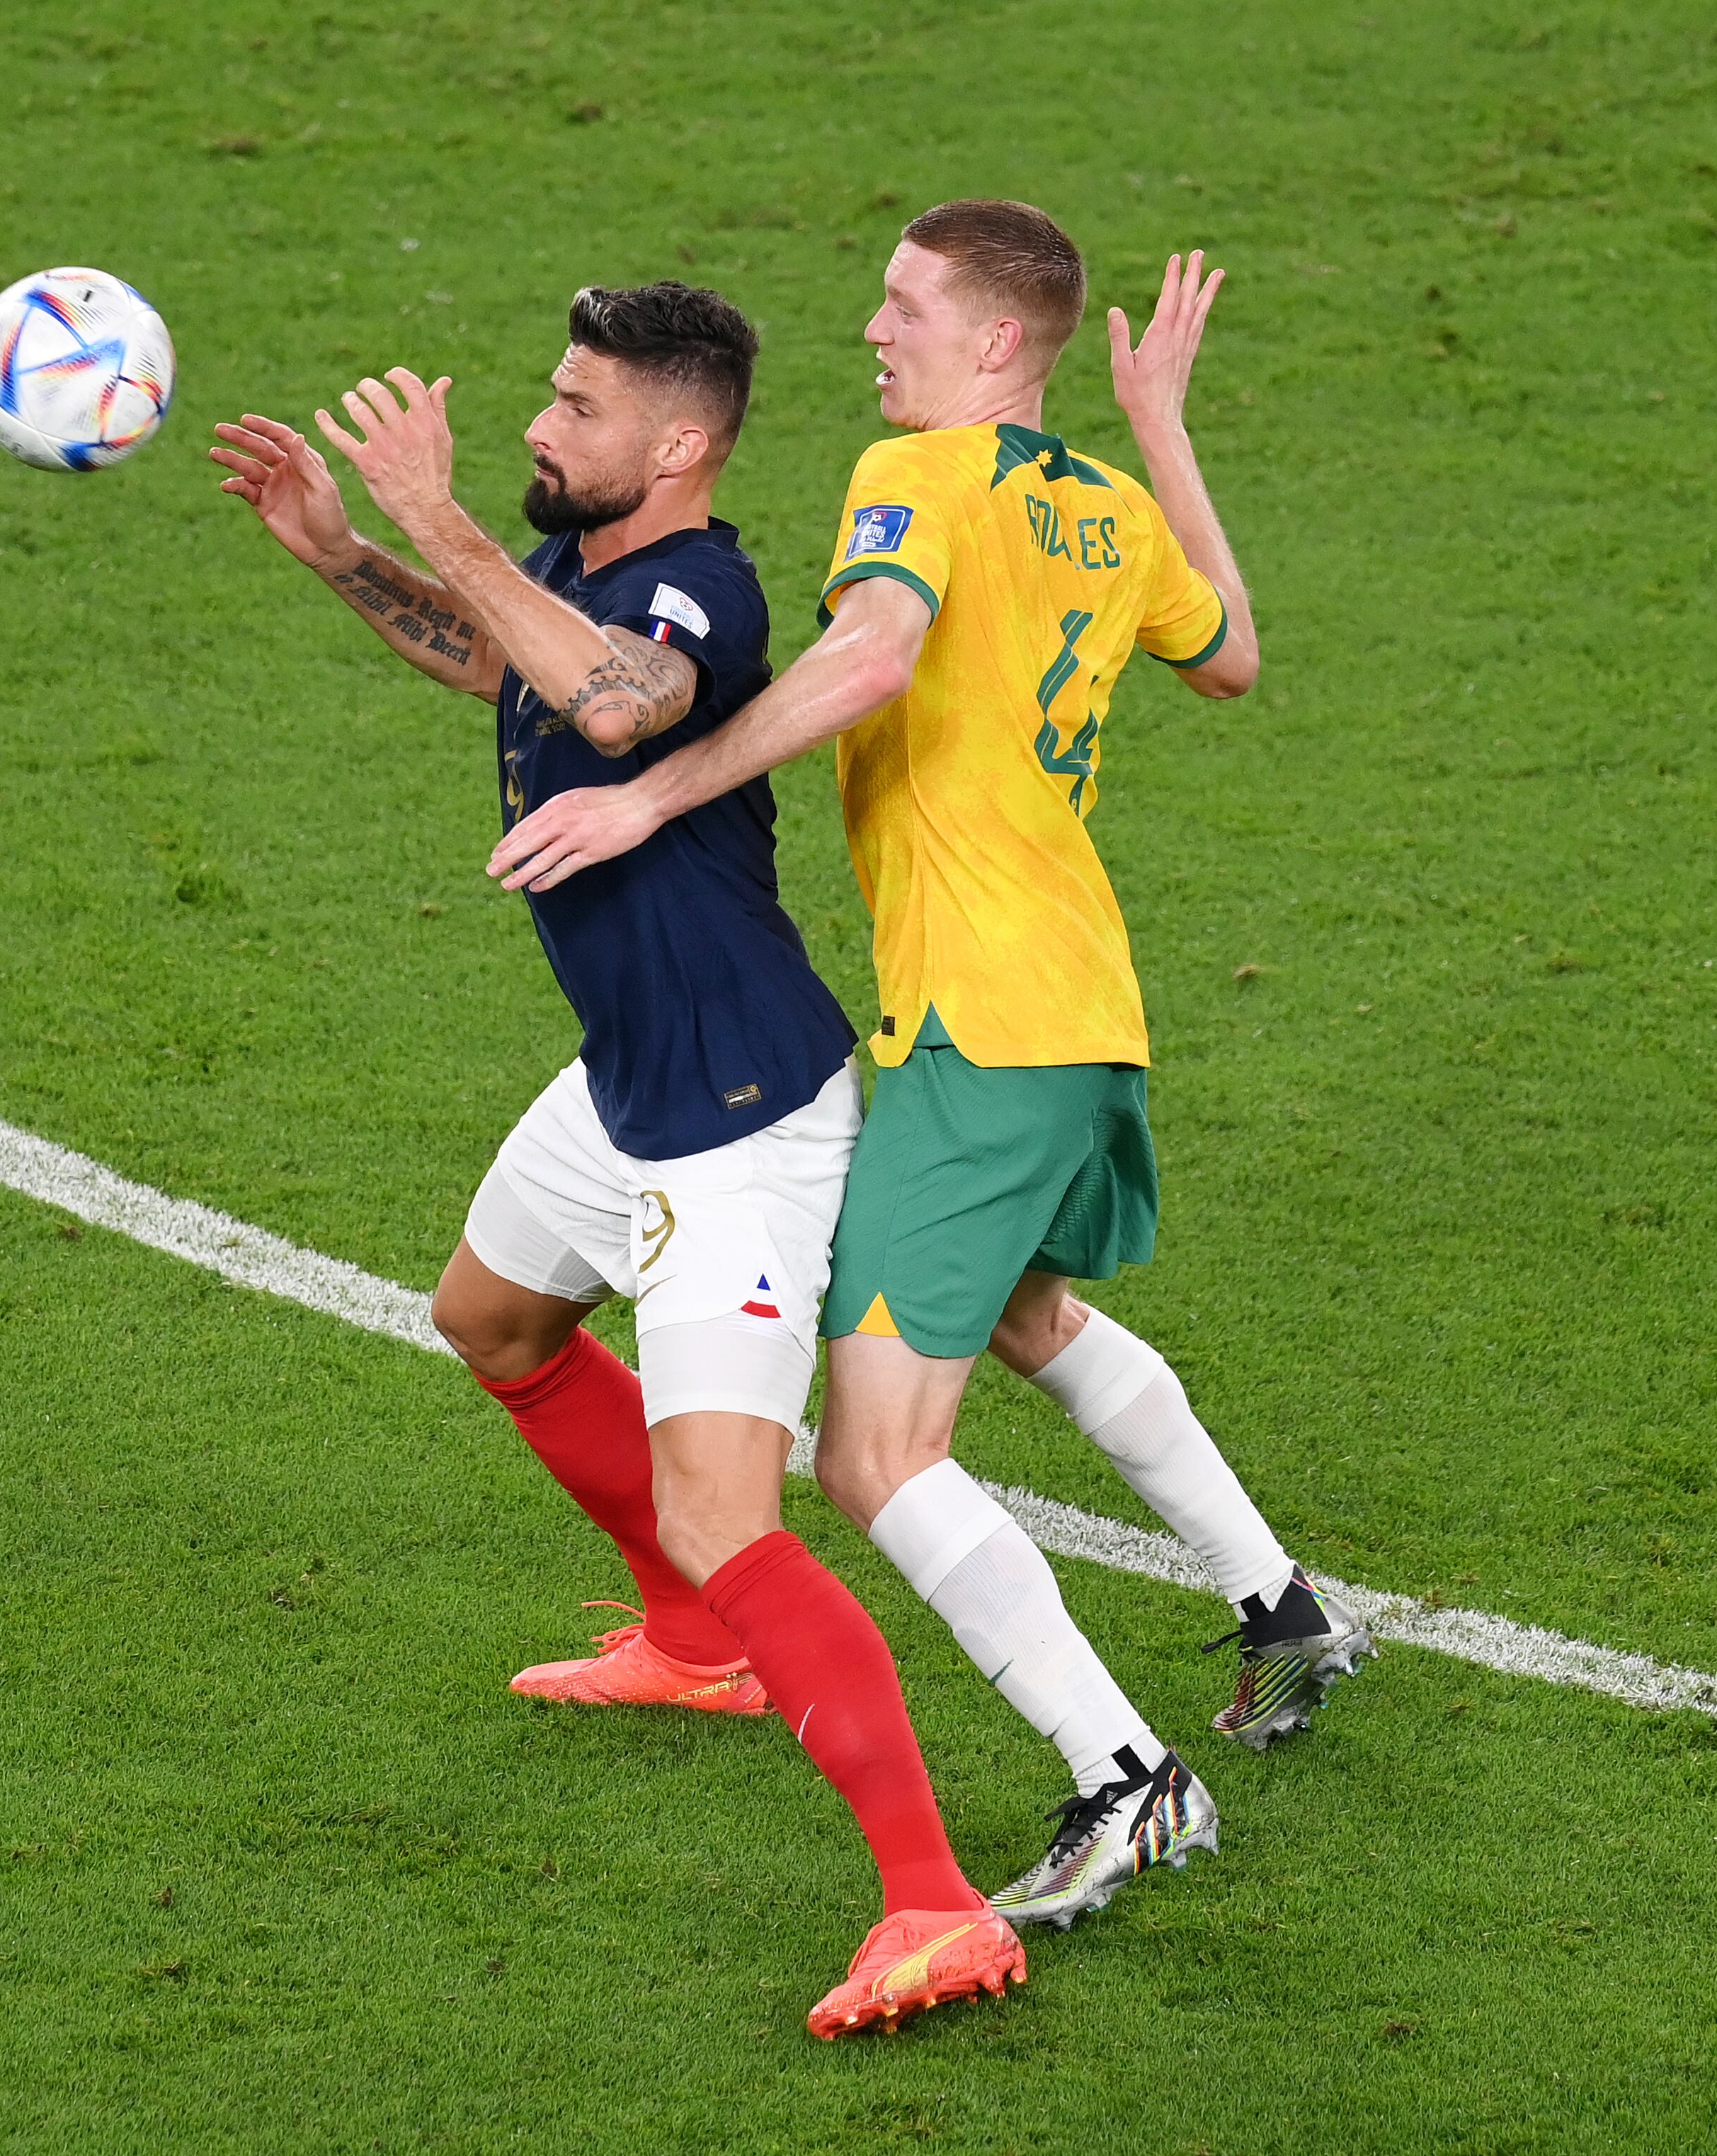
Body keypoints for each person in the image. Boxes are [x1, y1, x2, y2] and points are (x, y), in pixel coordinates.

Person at [483, 207, 1369, 1931]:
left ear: (993, 341)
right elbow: (1231, 657)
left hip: (981, 1026)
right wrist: (1162, 426)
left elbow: (874, 652)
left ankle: (1128, 1778)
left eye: (904, 305)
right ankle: (1278, 1607)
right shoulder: (1105, 503)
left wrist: (652, 795)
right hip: (1079, 1009)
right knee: (1023, 1315)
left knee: (874, 1454)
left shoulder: (918, 474)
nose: (874, 331)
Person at [207, 281, 1025, 2034]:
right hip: (627, 1077)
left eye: (577, 408)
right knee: (492, 1316)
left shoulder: (701, 593)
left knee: (734, 1509)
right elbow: (497, 657)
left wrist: (434, 515)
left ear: (679, 445)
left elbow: (609, 706)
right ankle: (693, 1645)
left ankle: (935, 1901)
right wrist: (344, 553)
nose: (537, 426)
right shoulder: (579, 563)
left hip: (740, 1115)